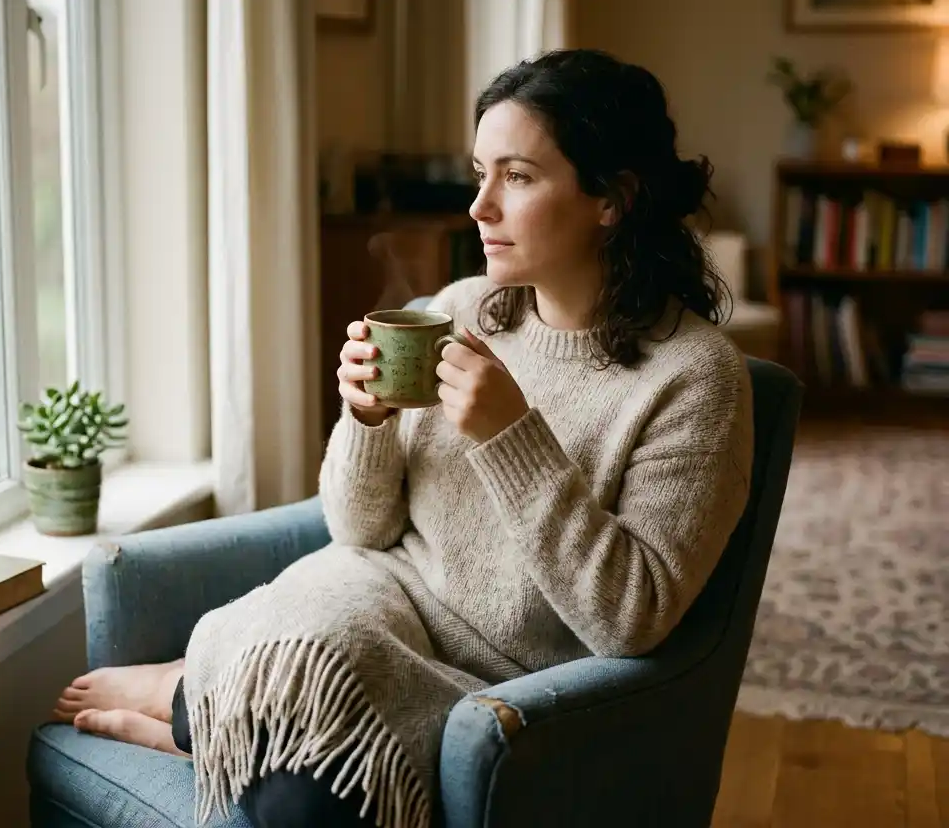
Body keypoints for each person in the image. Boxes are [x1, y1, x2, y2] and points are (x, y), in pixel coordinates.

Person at [53, 48, 754, 828]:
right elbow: (359, 529)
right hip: (372, 600)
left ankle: (190, 710)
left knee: (298, 805)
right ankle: (200, 704)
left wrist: (511, 437)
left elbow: (632, 618)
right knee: (305, 677)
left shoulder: (696, 379)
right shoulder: (463, 309)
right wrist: (367, 419)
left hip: (491, 679)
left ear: (613, 199)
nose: (479, 207)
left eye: (518, 177)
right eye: (480, 173)